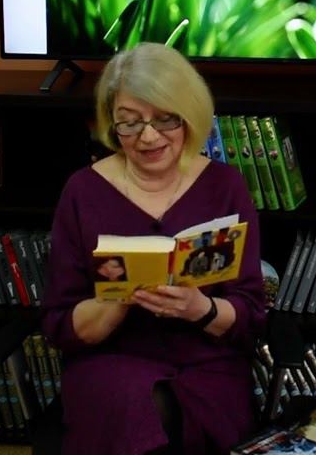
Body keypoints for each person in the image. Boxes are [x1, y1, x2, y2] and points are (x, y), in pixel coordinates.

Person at [42, 43, 266, 455]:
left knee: (193, 409)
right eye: (130, 123)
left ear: (188, 116)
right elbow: (60, 324)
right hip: (112, 362)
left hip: (207, 363)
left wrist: (199, 308)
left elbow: (250, 312)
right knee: (139, 407)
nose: (148, 136)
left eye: (165, 119)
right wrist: (118, 300)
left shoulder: (225, 186)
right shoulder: (83, 191)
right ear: (112, 124)